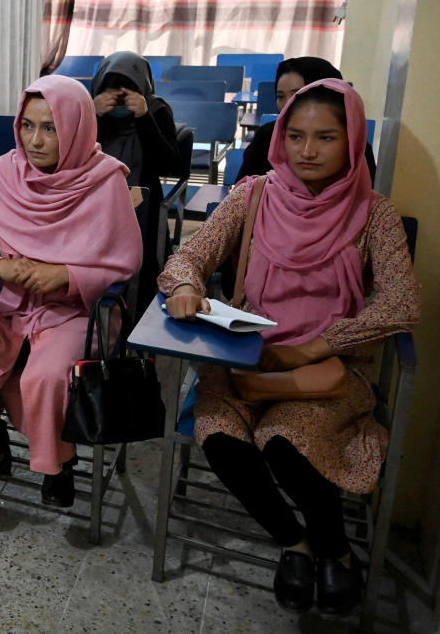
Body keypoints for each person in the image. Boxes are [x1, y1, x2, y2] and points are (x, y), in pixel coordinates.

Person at [160, 80, 420, 617]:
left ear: (351, 141)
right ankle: (295, 542)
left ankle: (334, 550)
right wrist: (187, 286)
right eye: (296, 136)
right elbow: (190, 256)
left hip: (326, 369)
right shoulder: (252, 193)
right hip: (245, 358)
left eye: (325, 137)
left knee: (285, 443)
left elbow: (401, 304)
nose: (307, 151)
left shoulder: (375, 214)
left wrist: (313, 348)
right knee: (222, 440)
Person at [0, 75, 141, 505]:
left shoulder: (104, 182)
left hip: (71, 311)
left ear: (76, 127)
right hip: (9, 307)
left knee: (47, 375)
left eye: (50, 127)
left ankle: (59, 463)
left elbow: (125, 263)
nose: (34, 140)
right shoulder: (4, 171)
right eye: (27, 126)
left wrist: (65, 275)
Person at [90, 51, 181, 316]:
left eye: (127, 87)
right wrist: (94, 115)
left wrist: (143, 116)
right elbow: (74, 157)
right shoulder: (88, 108)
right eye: (111, 87)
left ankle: (135, 320)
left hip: (143, 201)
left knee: (142, 268)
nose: (118, 95)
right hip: (93, 201)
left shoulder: (156, 110)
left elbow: (169, 164)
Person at [235, 57, 376, 182]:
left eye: (298, 94)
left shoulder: (355, 145)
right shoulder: (267, 136)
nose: (288, 104)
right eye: (280, 96)